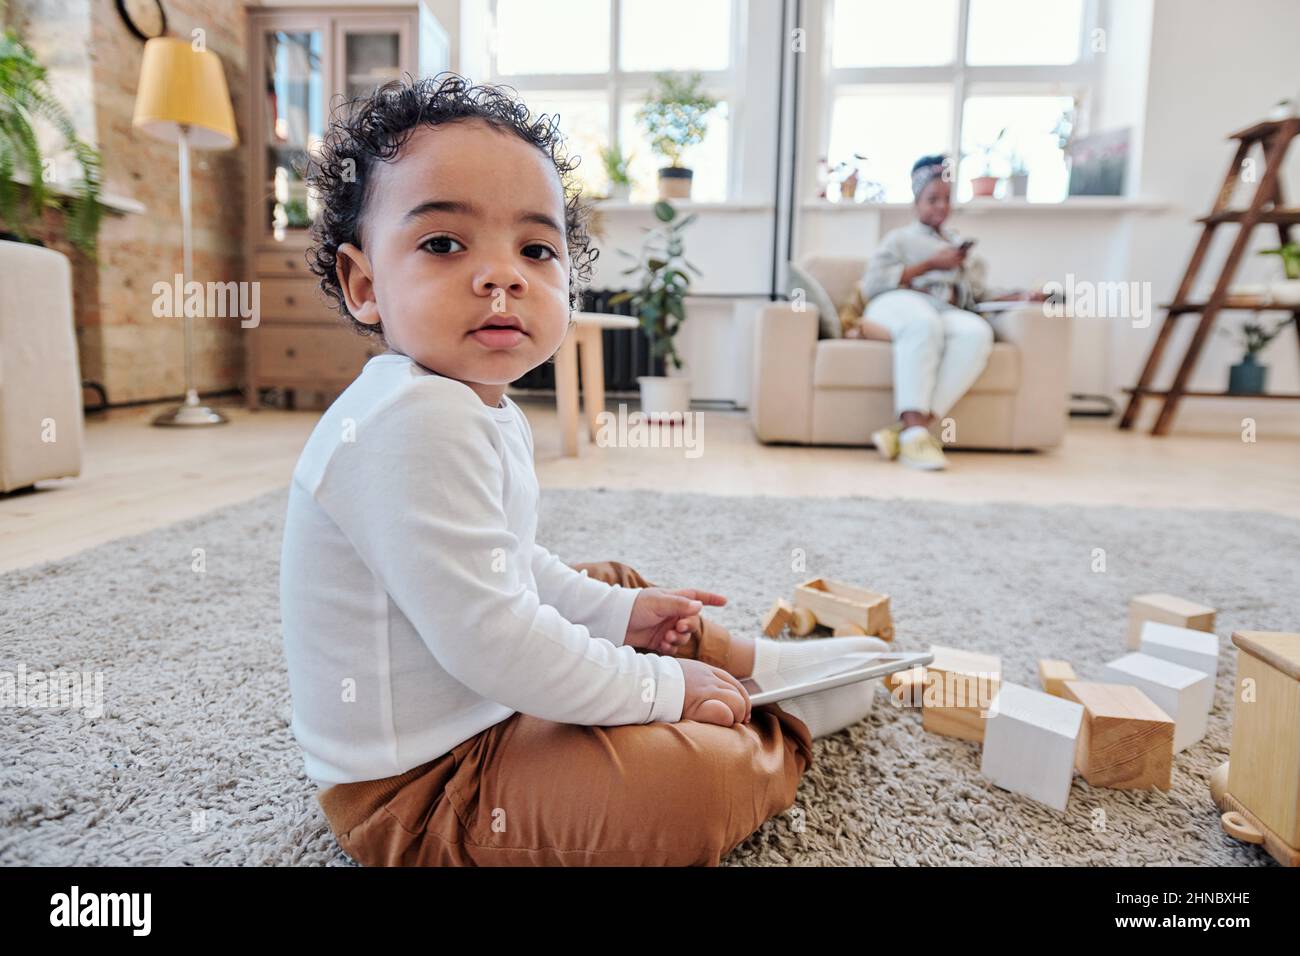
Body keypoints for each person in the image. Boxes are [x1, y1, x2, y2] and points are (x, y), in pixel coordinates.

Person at [280, 74, 889, 867]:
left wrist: (619, 617)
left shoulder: (468, 405)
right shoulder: (409, 420)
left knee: (615, 585)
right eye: (443, 244)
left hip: (489, 707)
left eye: (536, 249)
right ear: (366, 285)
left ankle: (743, 663)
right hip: (422, 792)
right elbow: (493, 639)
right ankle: (774, 717)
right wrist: (661, 694)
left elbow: (509, 564)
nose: (502, 276)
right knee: (687, 790)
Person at [851, 154, 1045, 471]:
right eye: (932, 199)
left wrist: (1024, 296)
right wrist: (931, 264)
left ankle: (910, 432)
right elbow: (872, 284)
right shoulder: (900, 239)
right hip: (896, 302)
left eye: (946, 199)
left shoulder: (961, 250)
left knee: (976, 332)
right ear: (916, 202)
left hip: (945, 310)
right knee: (922, 324)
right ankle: (915, 437)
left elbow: (980, 295)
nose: (941, 206)